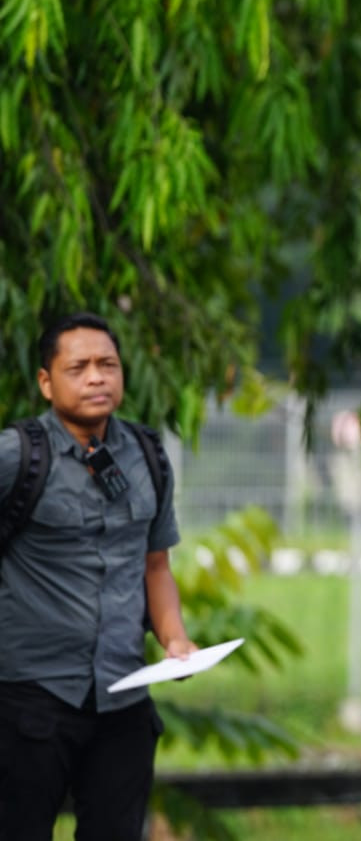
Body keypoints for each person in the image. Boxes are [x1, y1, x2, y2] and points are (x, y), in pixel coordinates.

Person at [0, 312, 196, 841]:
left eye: (107, 364)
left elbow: (156, 565)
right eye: (78, 367)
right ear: (46, 382)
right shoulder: (17, 456)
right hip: (28, 702)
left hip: (123, 699)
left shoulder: (148, 456)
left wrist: (175, 638)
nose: (96, 377)